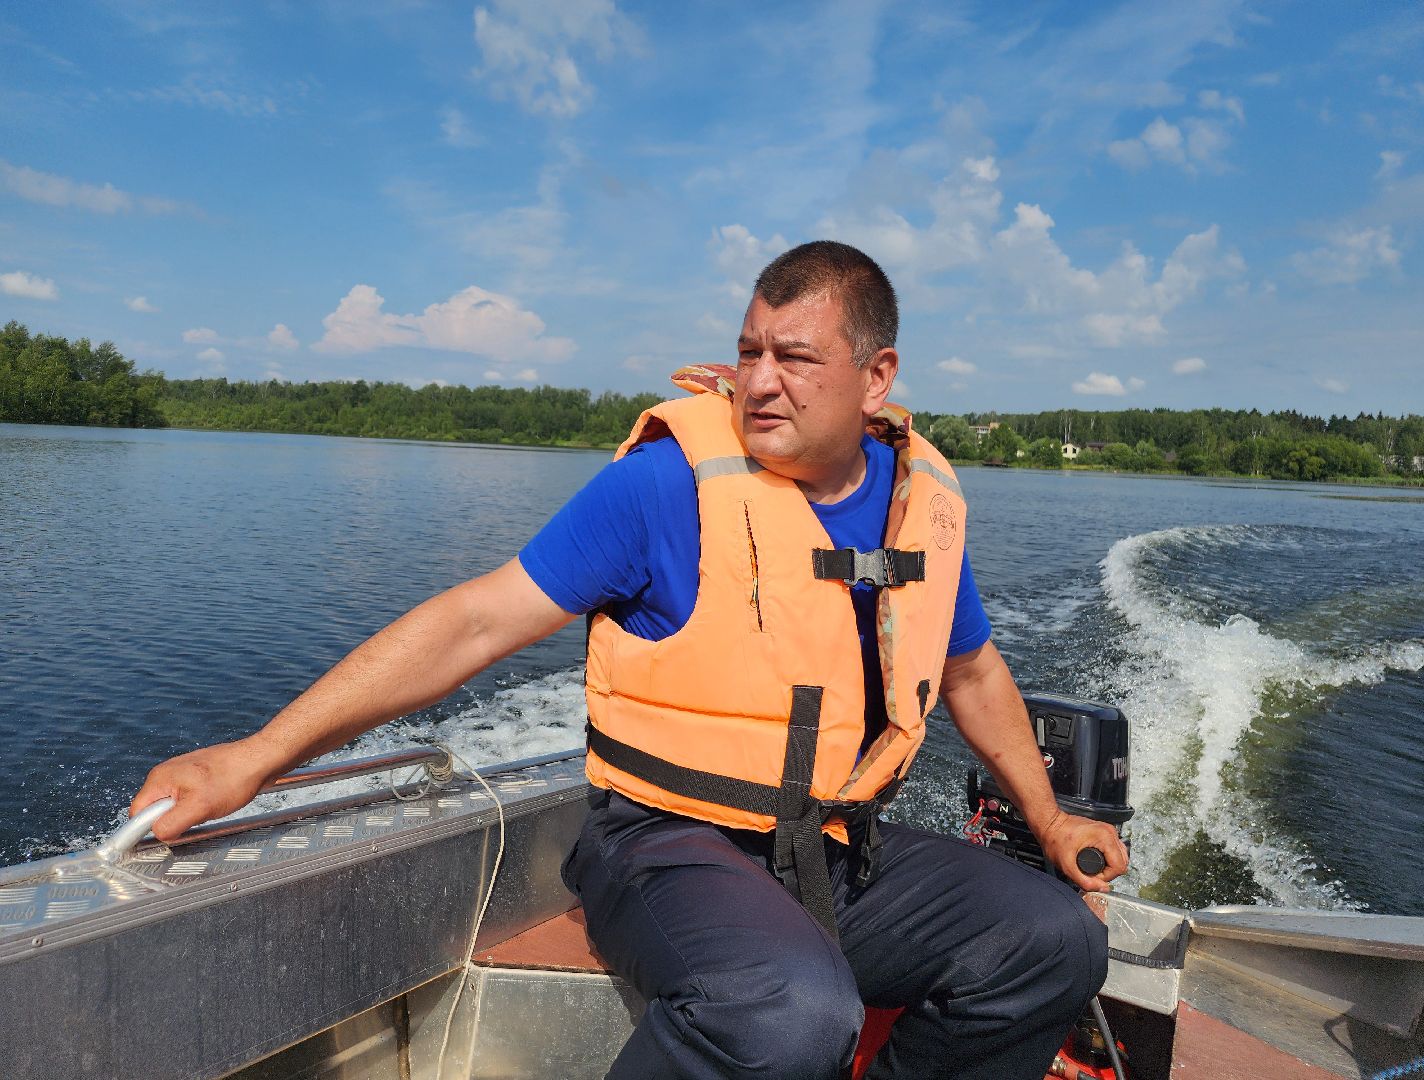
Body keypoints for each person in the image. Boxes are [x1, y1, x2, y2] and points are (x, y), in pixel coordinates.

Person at [133, 241, 1128, 1080]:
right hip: (661, 846)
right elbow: (473, 624)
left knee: (1055, 941)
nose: (761, 380)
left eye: (795, 356)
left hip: (829, 847)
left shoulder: (922, 510)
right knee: (787, 1012)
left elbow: (972, 675)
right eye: (750, 351)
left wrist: (1049, 816)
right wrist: (258, 758)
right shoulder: (667, 486)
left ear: (877, 377)